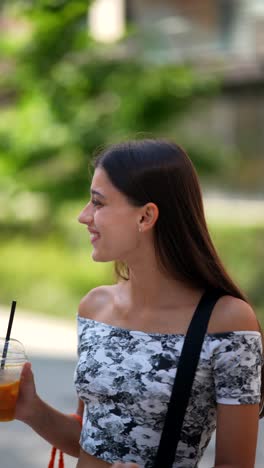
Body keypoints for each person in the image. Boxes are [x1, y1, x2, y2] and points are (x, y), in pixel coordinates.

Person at [16, 139, 263, 468]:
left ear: (146, 216)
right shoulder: (95, 307)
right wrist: (30, 408)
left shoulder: (227, 321)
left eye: (98, 203)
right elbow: (91, 438)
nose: (83, 216)